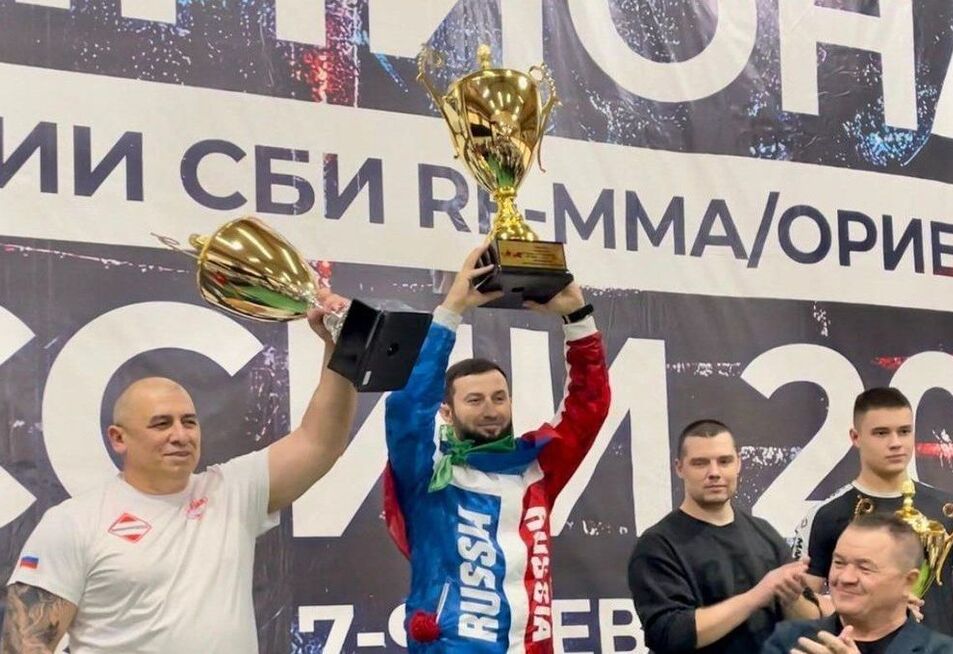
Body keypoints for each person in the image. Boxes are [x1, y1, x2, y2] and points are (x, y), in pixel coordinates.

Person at [1, 291, 357, 653]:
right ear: (118, 438)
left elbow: (320, 441)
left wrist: (343, 346)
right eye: (161, 424)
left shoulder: (231, 492)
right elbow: (23, 646)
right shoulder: (74, 523)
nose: (180, 435)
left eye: (189, 421)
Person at [383, 244, 611, 652]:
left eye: (499, 397)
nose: (490, 410)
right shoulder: (427, 471)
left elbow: (587, 407)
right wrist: (452, 309)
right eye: (474, 400)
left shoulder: (536, 466)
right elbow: (406, 407)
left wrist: (578, 317)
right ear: (446, 412)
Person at [629, 419, 822, 653]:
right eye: (700, 463)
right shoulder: (658, 545)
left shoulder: (765, 534)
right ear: (679, 468)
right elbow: (670, 635)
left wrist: (792, 598)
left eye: (724, 461)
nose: (714, 473)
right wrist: (757, 595)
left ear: (738, 463)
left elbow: (811, 622)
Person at [792, 387, 953, 636]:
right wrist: (867, 606)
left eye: (904, 431)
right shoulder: (827, 515)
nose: (896, 443)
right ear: (855, 437)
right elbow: (798, 604)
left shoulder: (947, 509)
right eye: (881, 433)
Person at [763, 514, 953, 653]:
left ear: (908, 581)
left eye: (865, 568)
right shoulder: (789, 640)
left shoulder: (941, 650)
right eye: (839, 563)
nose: (846, 578)